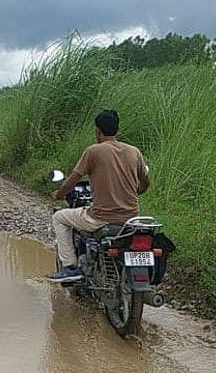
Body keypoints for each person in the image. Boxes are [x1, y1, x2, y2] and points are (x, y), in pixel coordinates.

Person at [48, 109, 150, 283]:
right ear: (117, 130)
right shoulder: (134, 152)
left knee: (59, 217)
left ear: (97, 130)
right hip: (131, 218)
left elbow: (72, 180)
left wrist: (59, 194)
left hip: (101, 218)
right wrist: (136, 191)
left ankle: (70, 267)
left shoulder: (93, 151)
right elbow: (146, 182)